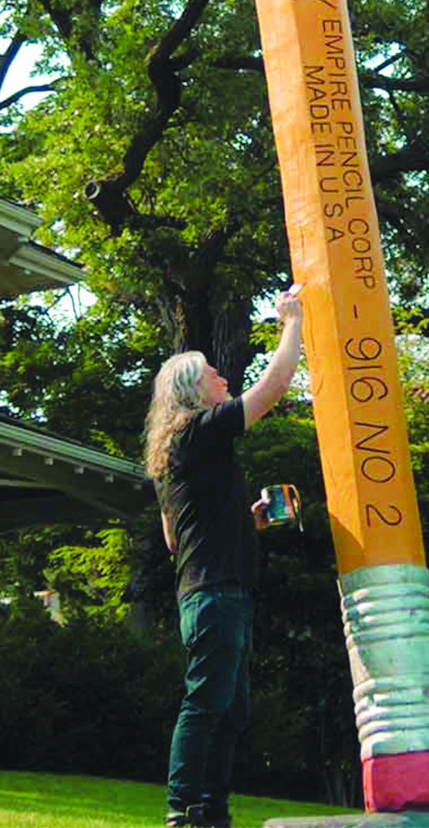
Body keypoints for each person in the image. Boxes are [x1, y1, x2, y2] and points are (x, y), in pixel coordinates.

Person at [144, 286, 305, 828]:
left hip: (209, 593)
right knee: (207, 704)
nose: (224, 380)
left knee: (229, 710)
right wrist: (291, 321)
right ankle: (182, 809)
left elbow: (175, 538)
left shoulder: (176, 453)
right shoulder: (200, 431)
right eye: (215, 375)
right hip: (215, 594)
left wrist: (247, 519)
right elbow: (273, 388)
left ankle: (211, 811)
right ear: (195, 390)